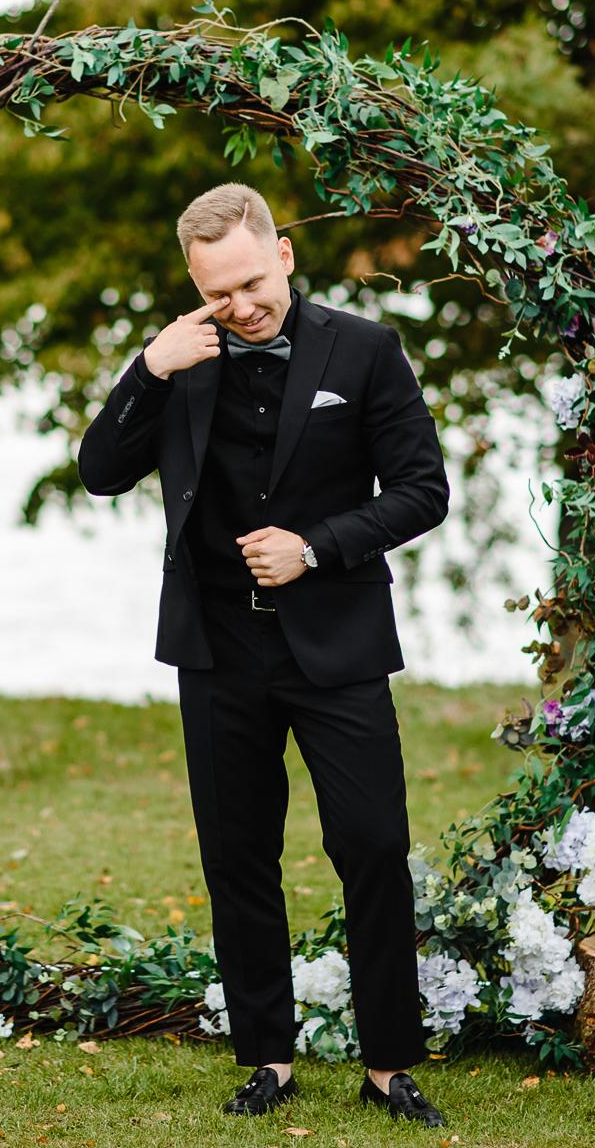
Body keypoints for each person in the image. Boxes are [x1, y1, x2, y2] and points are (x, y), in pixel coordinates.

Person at [76, 182, 452, 1126]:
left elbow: (423, 490)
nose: (240, 307)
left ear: (282, 253)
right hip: (217, 645)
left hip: (339, 639)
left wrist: (316, 544)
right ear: (195, 285)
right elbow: (99, 472)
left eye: (251, 282)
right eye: (217, 294)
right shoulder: (180, 362)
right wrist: (147, 368)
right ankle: (268, 1058)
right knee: (238, 854)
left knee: (372, 844)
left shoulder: (364, 350)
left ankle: (390, 1062)